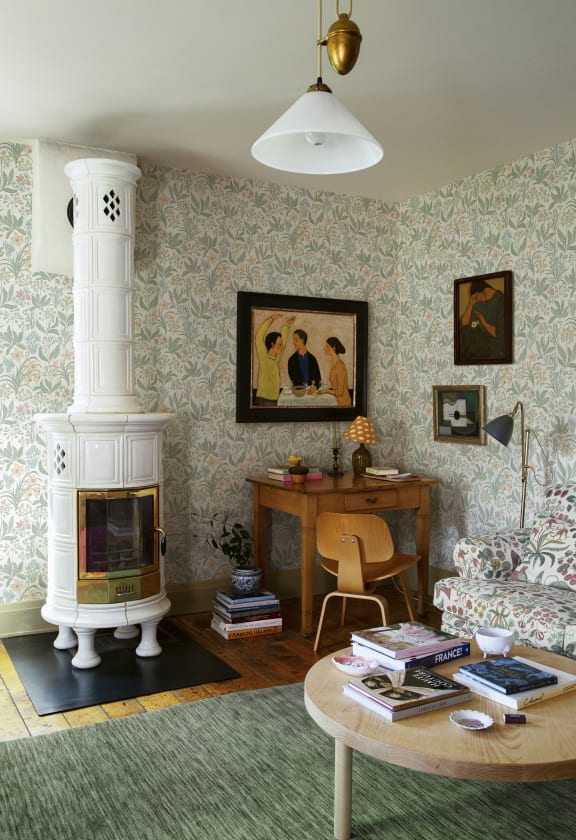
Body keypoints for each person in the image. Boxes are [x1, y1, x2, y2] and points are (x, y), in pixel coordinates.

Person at [254, 312, 295, 406]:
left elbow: (283, 339)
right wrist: (271, 319)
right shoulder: (264, 357)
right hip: (263, 399)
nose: (282, 346)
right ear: (272, 344)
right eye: (279, 344)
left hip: (274, 400)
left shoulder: (276, 359)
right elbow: (259, 337)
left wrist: (287, 325)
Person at [459, 278, 505, 361]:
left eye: (475, 297)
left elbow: (497, 333)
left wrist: (482, 320)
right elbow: (463, 324)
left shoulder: (501, 300)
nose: (476, 301)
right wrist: (470, 303)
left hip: (495, 349)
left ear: (482, 290)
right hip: (480, 348)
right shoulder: (479, 304)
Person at [317, 336, 352, 406]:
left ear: (333, 348)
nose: (325, 348)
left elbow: (339, 392)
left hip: (343, 402)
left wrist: (326, 391)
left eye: (327, 346)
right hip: (336, 400)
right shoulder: (334, 363)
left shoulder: (340, 366)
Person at [287, 329, 322, 394]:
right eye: (293, 340)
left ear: (302, 340)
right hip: (299, 391)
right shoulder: (292, 360)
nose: (293, 342)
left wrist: (315, 387)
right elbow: (294, 379)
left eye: (296, 340)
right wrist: (311, 382)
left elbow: (318, 378)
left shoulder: (312, 359)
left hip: (312, 391)